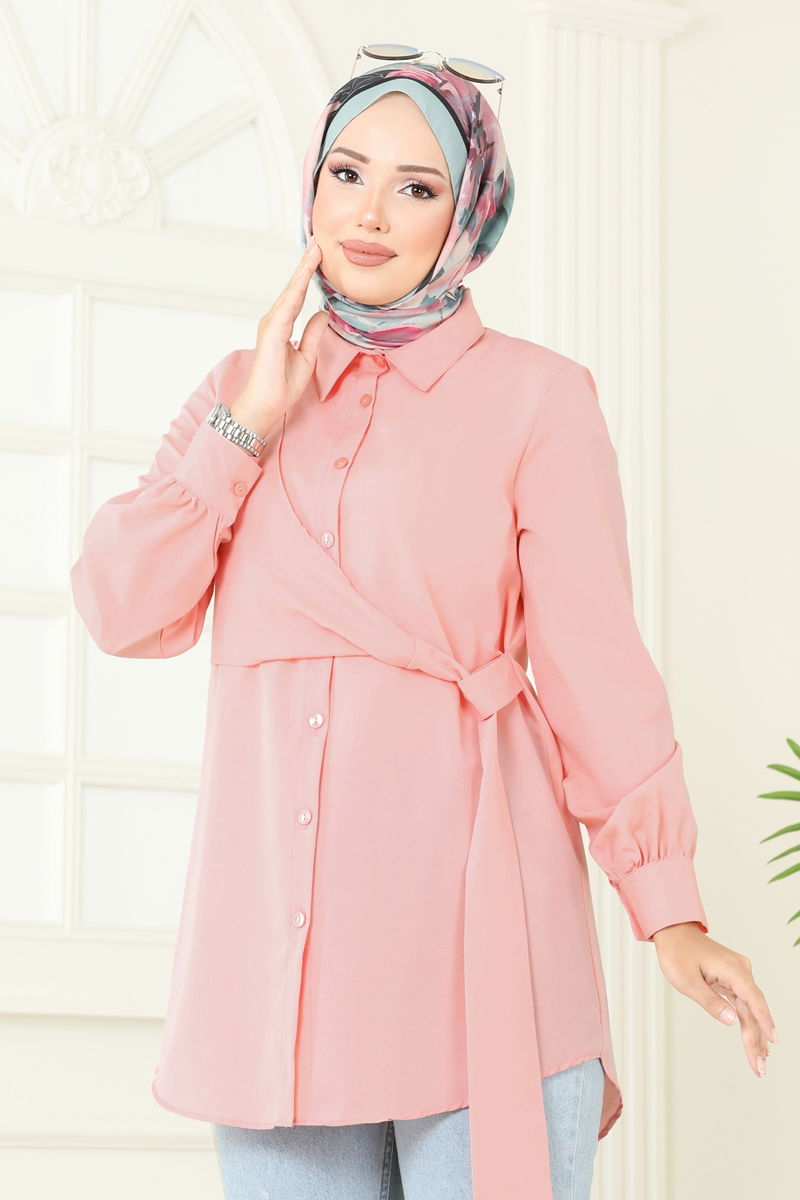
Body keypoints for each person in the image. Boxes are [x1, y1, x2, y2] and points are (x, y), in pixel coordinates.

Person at [70, 58, 777, 1200]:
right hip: (271, 979)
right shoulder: (238, 391)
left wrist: (669, 912)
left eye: (415, 187)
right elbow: (118, 605)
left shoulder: (538, 399)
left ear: (468, 215)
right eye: (346, 174)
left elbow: (594, 669)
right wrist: (244, 429)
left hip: (479, 945)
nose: (368, 213)